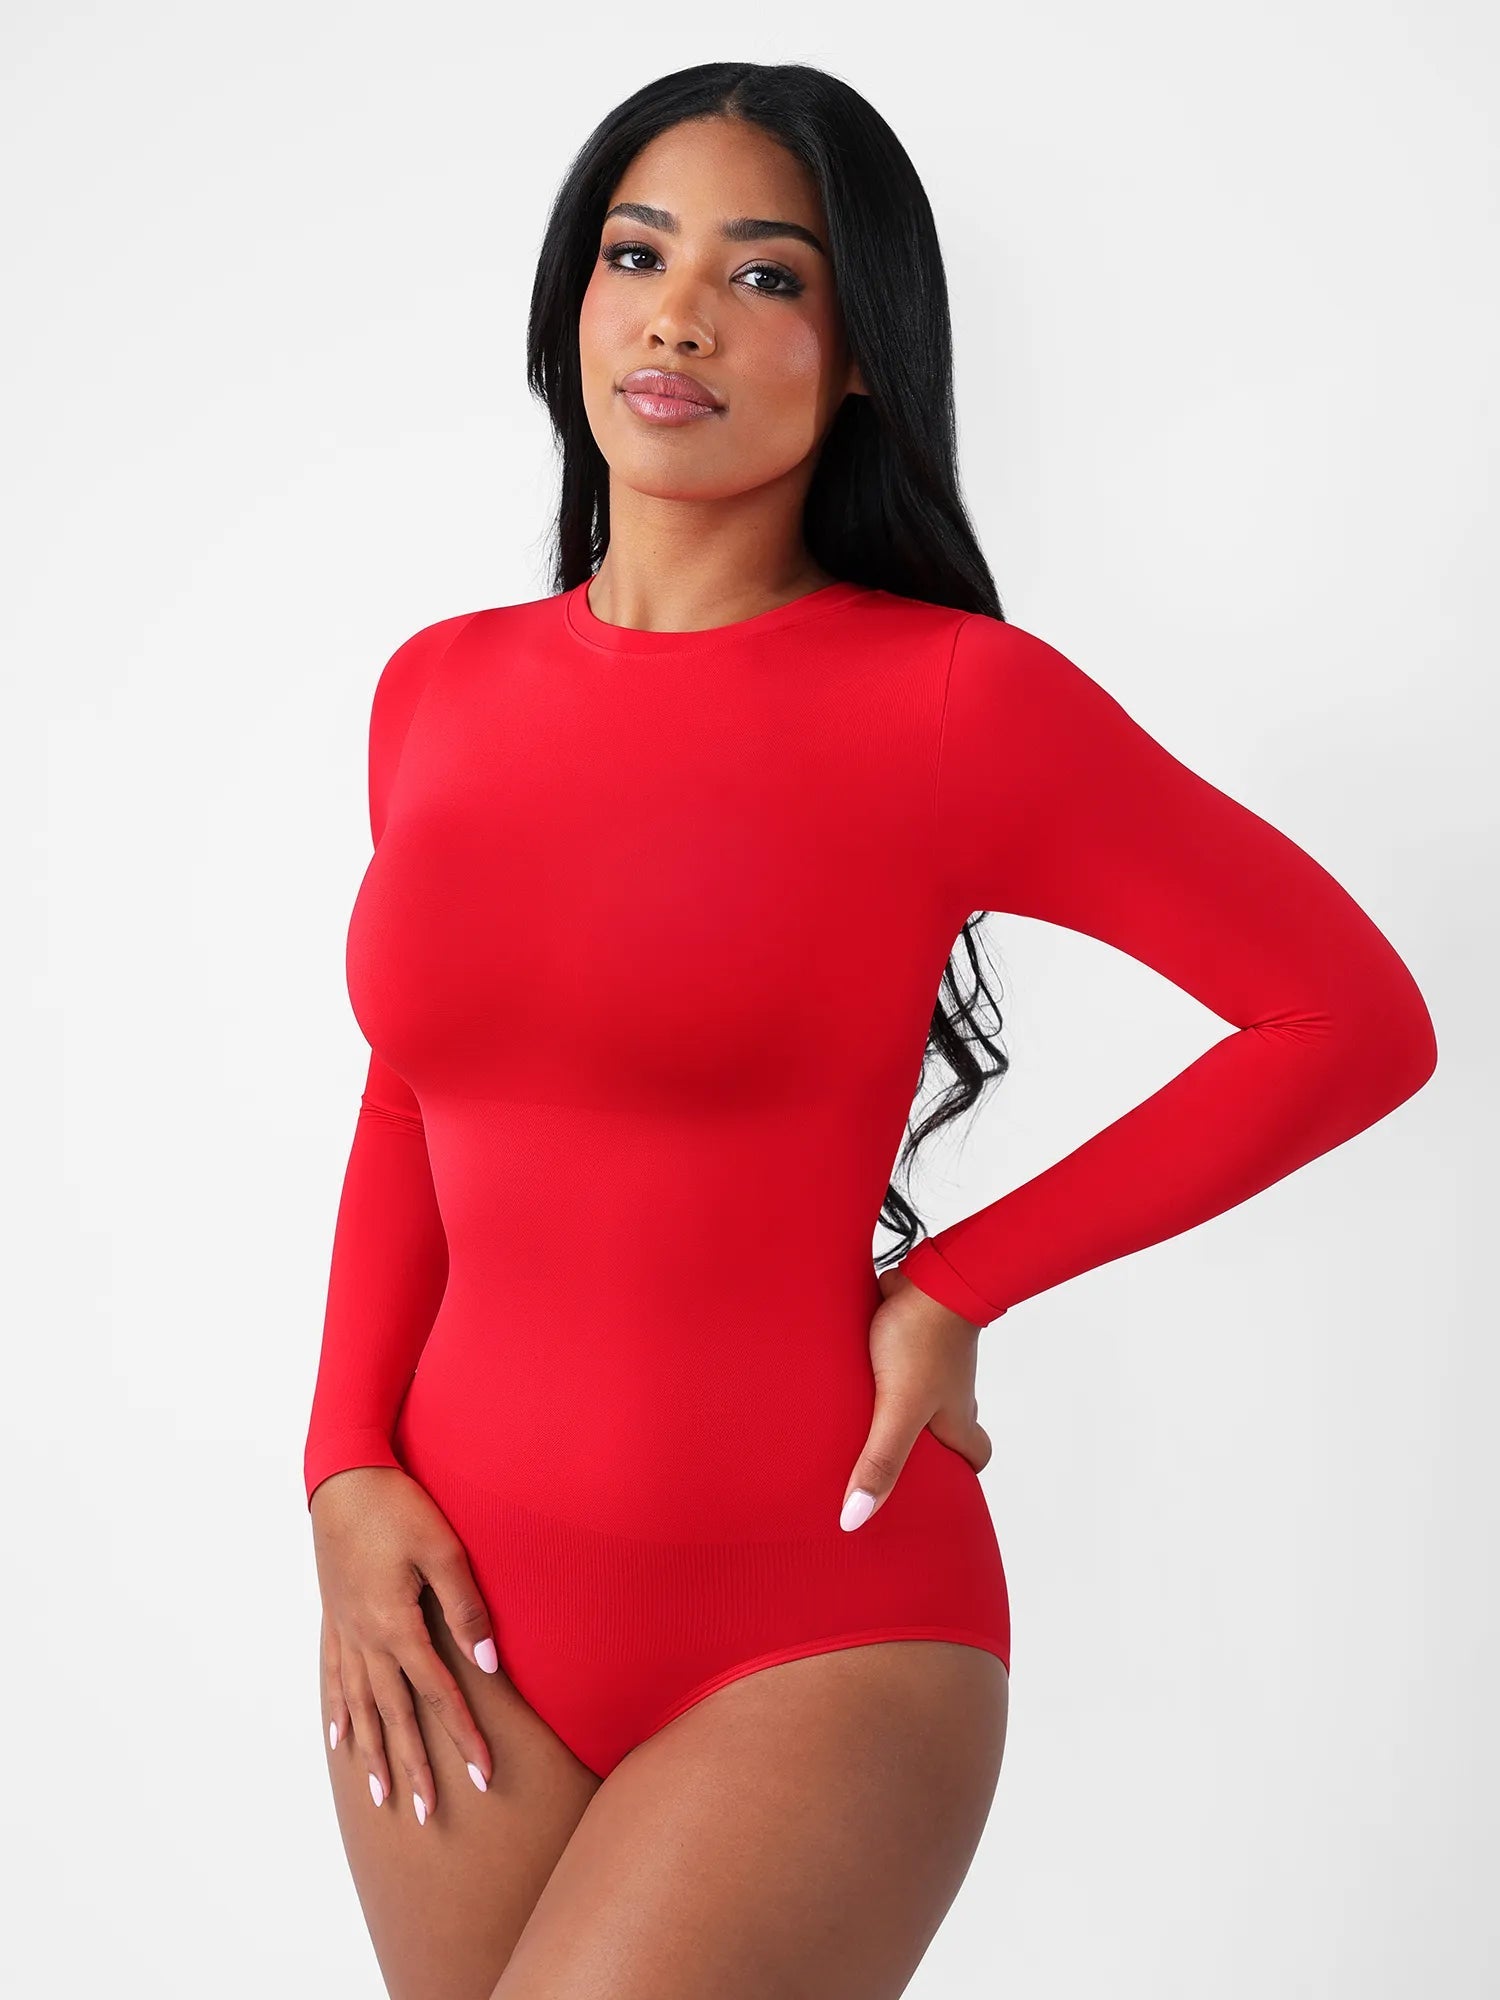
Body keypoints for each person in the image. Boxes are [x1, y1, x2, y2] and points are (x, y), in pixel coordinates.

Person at [302, 61, 1438, 2000]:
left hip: (814, 1617)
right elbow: (416, 1093)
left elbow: (1347, 1017)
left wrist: (962, 1281)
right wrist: (340, 1470)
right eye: (638, 254)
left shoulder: (952, 704)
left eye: (767, 277)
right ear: (572, 302)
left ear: (858, 362)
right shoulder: (437, 692)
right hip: (450, 1612)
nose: (679, 314)